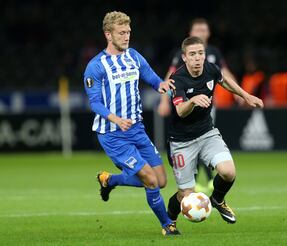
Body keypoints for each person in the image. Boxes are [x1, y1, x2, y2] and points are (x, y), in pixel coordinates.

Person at [83, 11, 180, 236]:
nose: (126, 37)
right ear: (108, 34)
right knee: (149, 179)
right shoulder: (95, 66)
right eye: (121, 33)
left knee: (161, 181)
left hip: (136, 129)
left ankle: (110, 180)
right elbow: (95, 103)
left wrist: (161, 85)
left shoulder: (134, 56)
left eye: (128, 32)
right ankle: (167, 225)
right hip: (113, 134)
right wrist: (116, 119)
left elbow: (152, 77)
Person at [166, 36, 263, 225]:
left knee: (228, 172)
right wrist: (192, 101)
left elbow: (223, 81)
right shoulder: (176, 79)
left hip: (206, 133)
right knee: (185, 195)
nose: (197, 58)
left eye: (200, 53)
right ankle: (169, 220)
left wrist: (246, 95)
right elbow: (180, 111)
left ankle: (217, 199)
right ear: (184, 57)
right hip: (182, 141)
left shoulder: (210, 68)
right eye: (192, 54)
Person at [157, 18, 238, 193]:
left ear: (208, 33)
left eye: (204, 30)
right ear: (191, 33)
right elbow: (169, 76)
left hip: (208, 106)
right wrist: (164, 100)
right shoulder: (183, 55)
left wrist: (241, 94)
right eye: (197, 30)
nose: (201, 33)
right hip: (185, 105)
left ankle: (206, 180)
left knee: (204, 138)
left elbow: (224, 73)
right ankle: (195, 180)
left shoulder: (214, 53)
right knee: (191, 139)